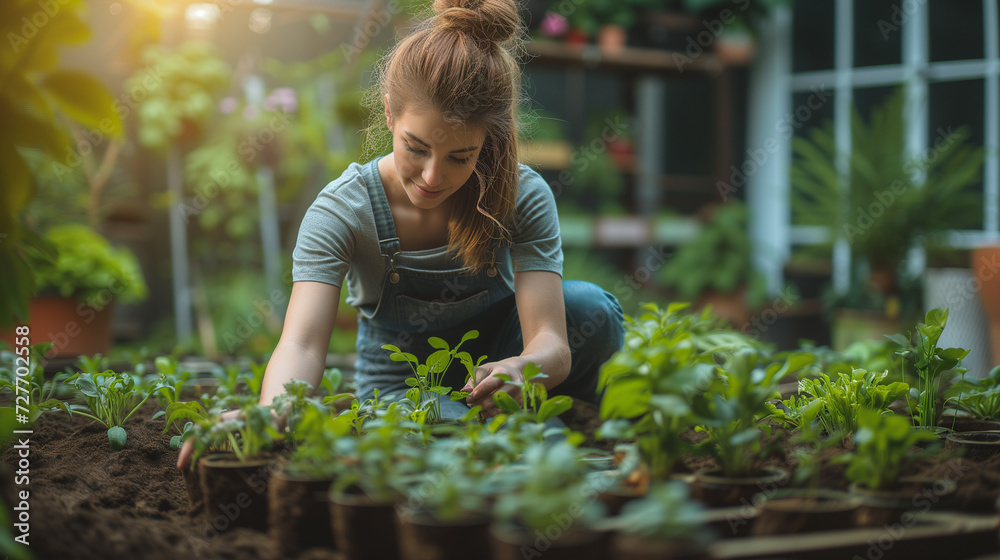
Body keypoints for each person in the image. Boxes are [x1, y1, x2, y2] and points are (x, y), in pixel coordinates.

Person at [178, 0, 624, 470]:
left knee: (591, 309)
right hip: (403, 385)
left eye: (460, 157)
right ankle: (535, 436)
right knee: (488, 450)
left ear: (486, 142)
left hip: (498, 363)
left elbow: (552, 343)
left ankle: (577, 424)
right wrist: (270, 416)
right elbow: (303, 344)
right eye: (417, 148)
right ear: (389, 115)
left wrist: (520, 369)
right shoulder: (343, 210)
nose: (433, 176)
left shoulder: (519, 194)